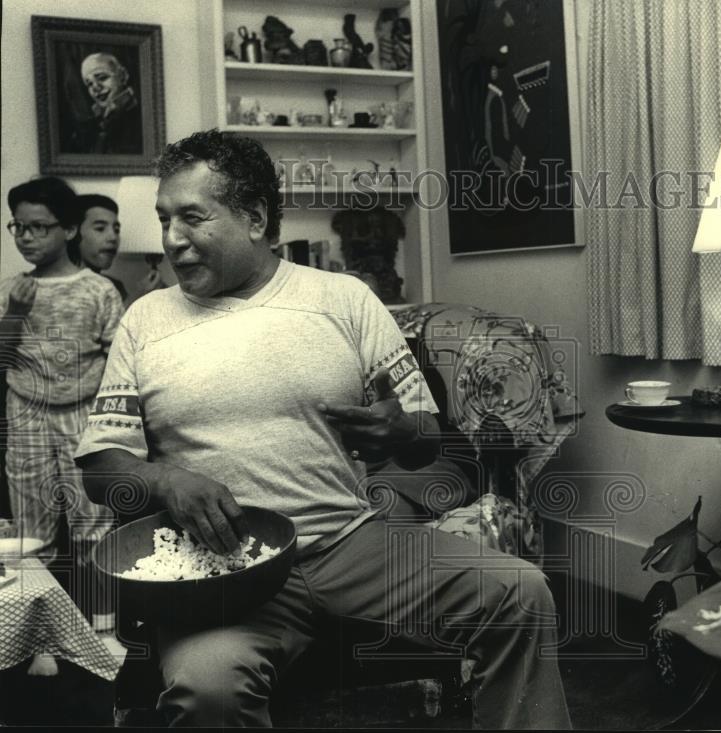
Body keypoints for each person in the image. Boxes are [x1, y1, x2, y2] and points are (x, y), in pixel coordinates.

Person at [74, 129, 571, 729]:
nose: (172, 240)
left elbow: (426, 437)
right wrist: (167, 481)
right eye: (163, 219)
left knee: (520, 593)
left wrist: (404, 434)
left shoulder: (347, 300)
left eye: (192, 218)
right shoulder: (144, 321)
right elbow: (102, 467)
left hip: (351, 542)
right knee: (208, 689)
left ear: (255, 218)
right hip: (226, 568)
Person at [1, 177, 123, 566]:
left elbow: (118, 364)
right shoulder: (9, 290)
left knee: (94, 523)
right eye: (18, 226)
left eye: (38, 227)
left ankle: (102, 622)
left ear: (69, 229)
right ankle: (38, 624)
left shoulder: (99, 290)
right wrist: (15, 314)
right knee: (31, 534)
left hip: (84, 415)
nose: (25, 237)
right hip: (26, 416)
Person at [74, 193, 164, 303]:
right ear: (73, 232)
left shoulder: (115, 286)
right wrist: (138, 297)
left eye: (116, 230)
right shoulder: (64, 287)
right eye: (100, 228)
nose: (113, 237)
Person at [73, 52, 142, 155]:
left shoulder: (141, 116)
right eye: (89, 83)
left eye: (102, 78)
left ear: (123, 76)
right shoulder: (90, 127)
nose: (95, 88)